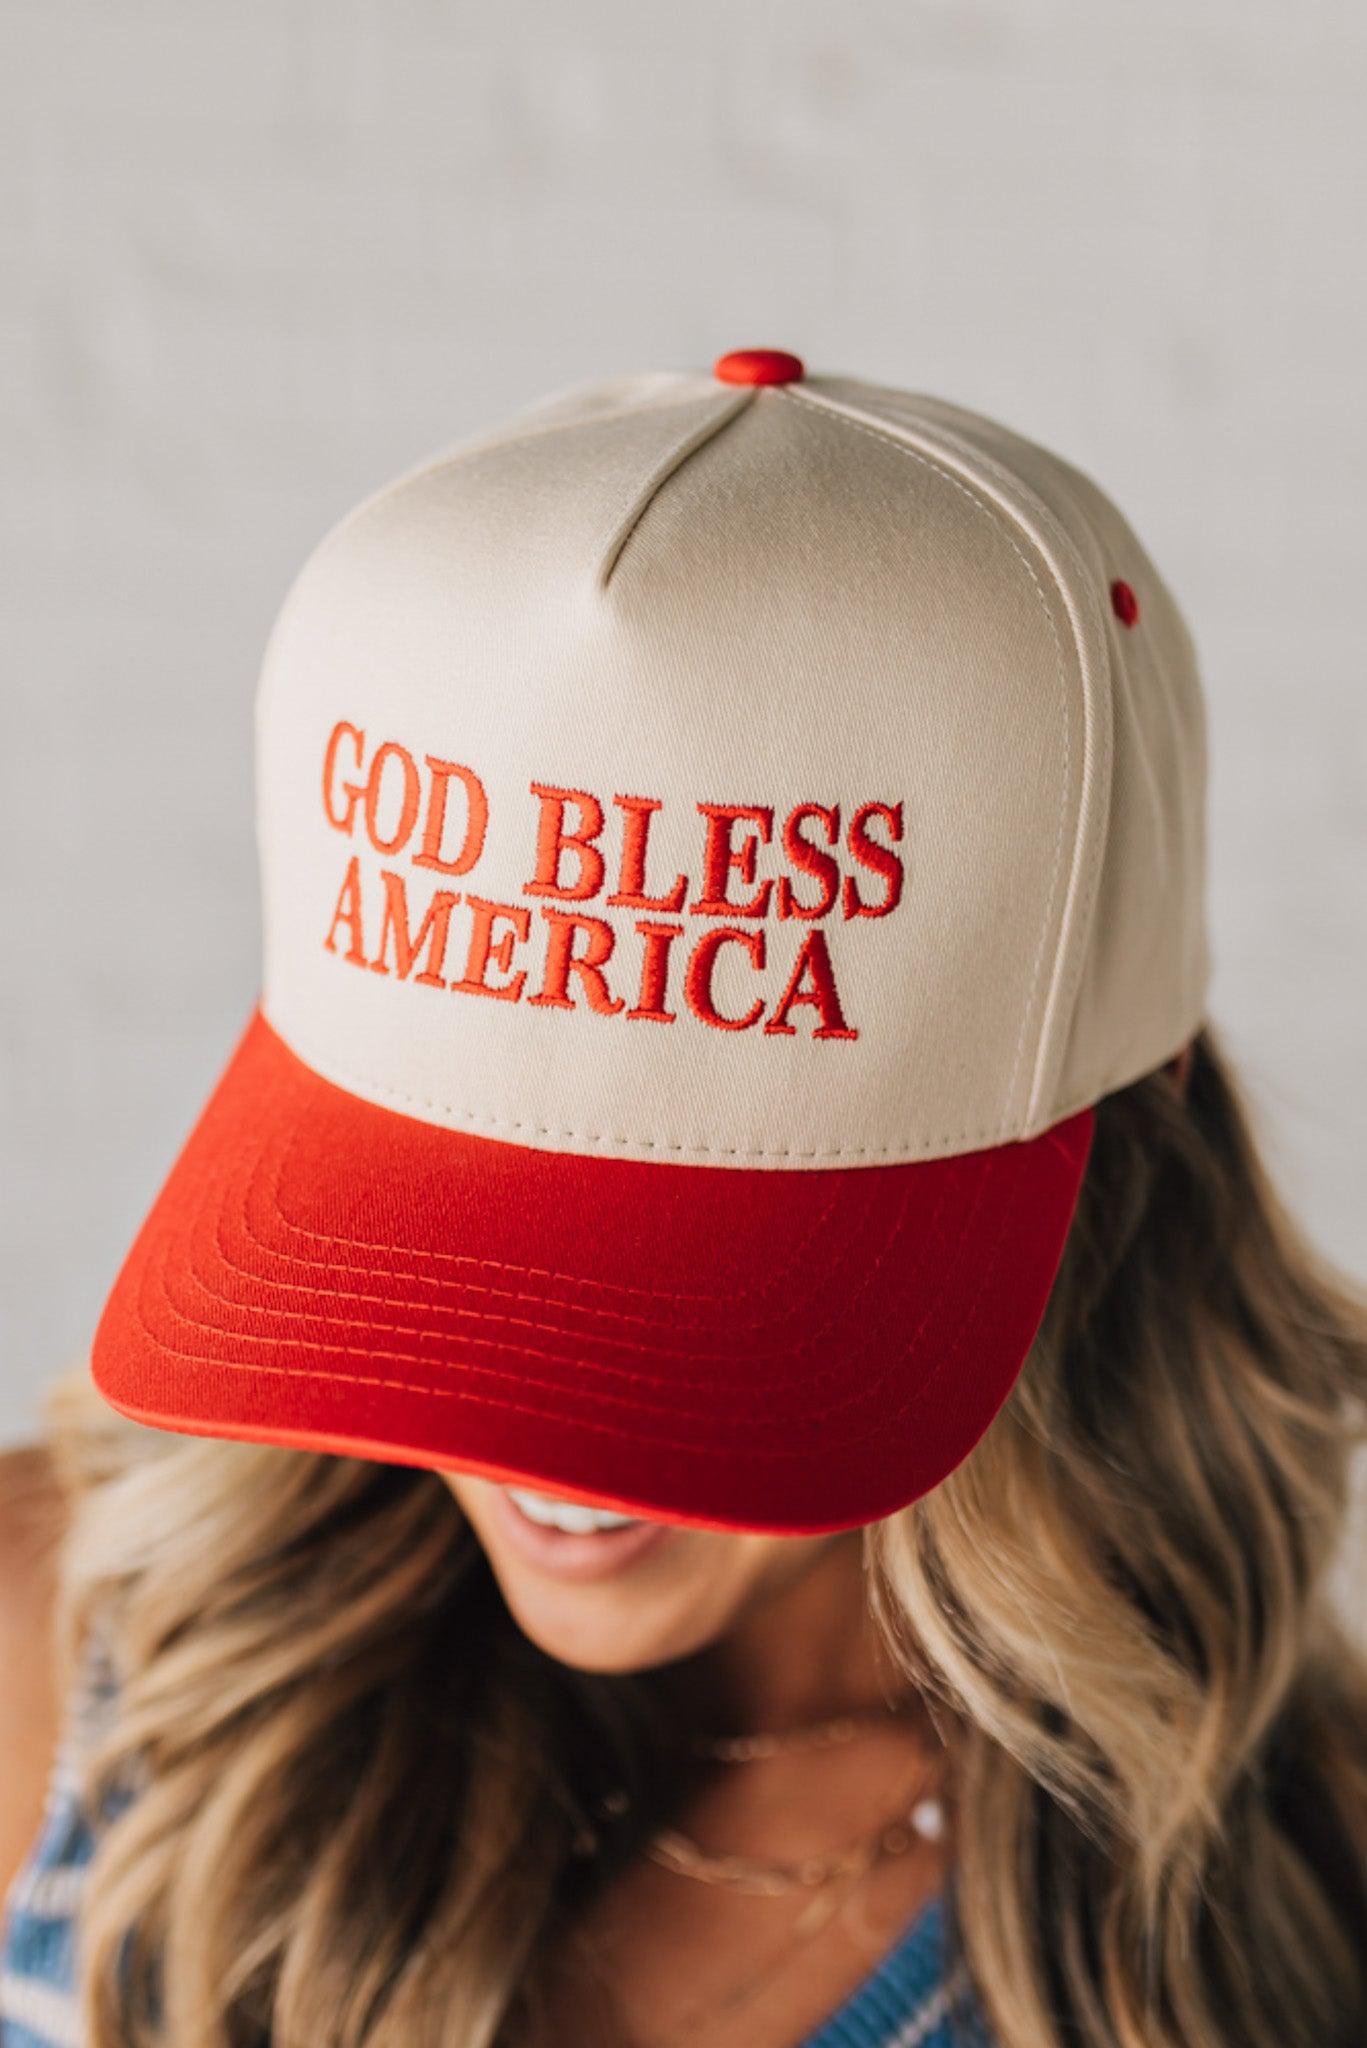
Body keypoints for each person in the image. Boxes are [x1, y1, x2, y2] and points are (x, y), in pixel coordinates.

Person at [1, 350, 1363, 2048]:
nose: (510, 1432)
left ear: (1126, 1116)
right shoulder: (60, 1631)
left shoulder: (1274, 1925)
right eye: (414, 1230)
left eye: (693, 1272)